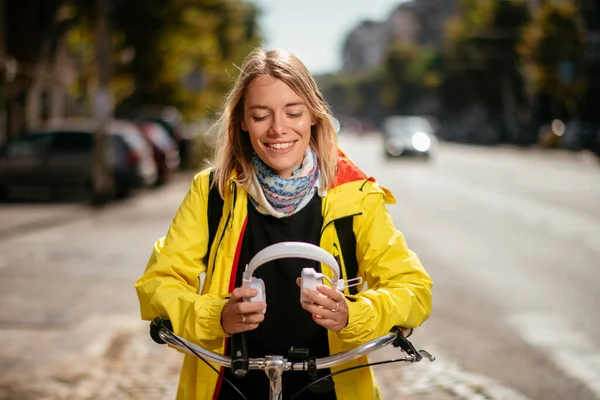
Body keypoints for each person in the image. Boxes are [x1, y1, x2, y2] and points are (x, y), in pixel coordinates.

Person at [135, 48, 433, 400]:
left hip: (330, 390)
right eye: (261, 115)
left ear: (313, 117)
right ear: (243, 122)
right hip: (229, 387)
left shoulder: (356, 196)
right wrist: (217, 316)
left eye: (293, 112)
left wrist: (353, 314)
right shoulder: (213, 191)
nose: (279, 129)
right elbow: (158, 283)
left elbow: (414, 288)